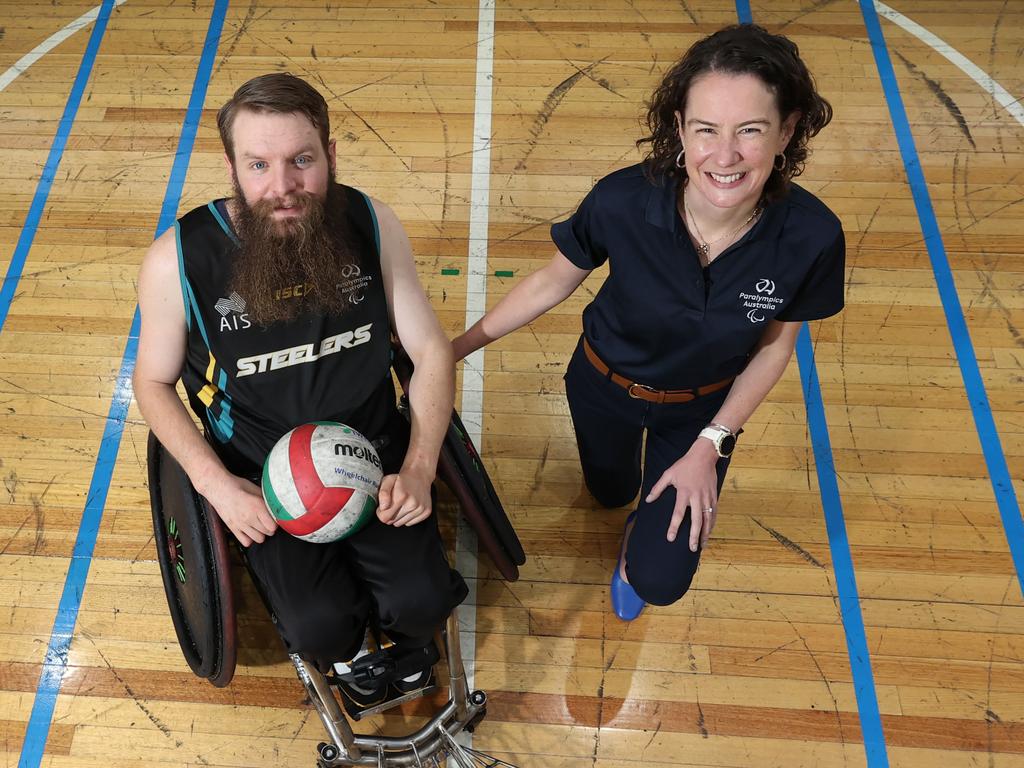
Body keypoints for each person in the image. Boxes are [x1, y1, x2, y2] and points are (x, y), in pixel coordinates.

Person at [453, 24, 844, 621]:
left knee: (660, 579)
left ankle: (651, 522)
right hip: (600, 385)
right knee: (607, 493)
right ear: (680, 129)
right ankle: (632, 500)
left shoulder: (814, 237)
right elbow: (553, 281)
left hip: (701, 415)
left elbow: (773, 348)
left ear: (787, 131)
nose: (726, 155)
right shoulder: (621, 200)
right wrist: (455, 348)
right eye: (707, 129)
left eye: (751, 130)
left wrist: (711, 446)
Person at [134, 73, 467, 703]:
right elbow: (151, 382)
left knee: (422, 602)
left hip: (371, 454)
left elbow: (429, 350)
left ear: (331, 156)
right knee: (318, 628)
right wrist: (215, 486)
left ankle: (412, 642)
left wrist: (421, 467)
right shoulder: (177, 260)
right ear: (231, 165)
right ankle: (345, 659)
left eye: (301, 161)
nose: (282, 187)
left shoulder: (370, 222)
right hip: (262, 475)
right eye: (259, 164)